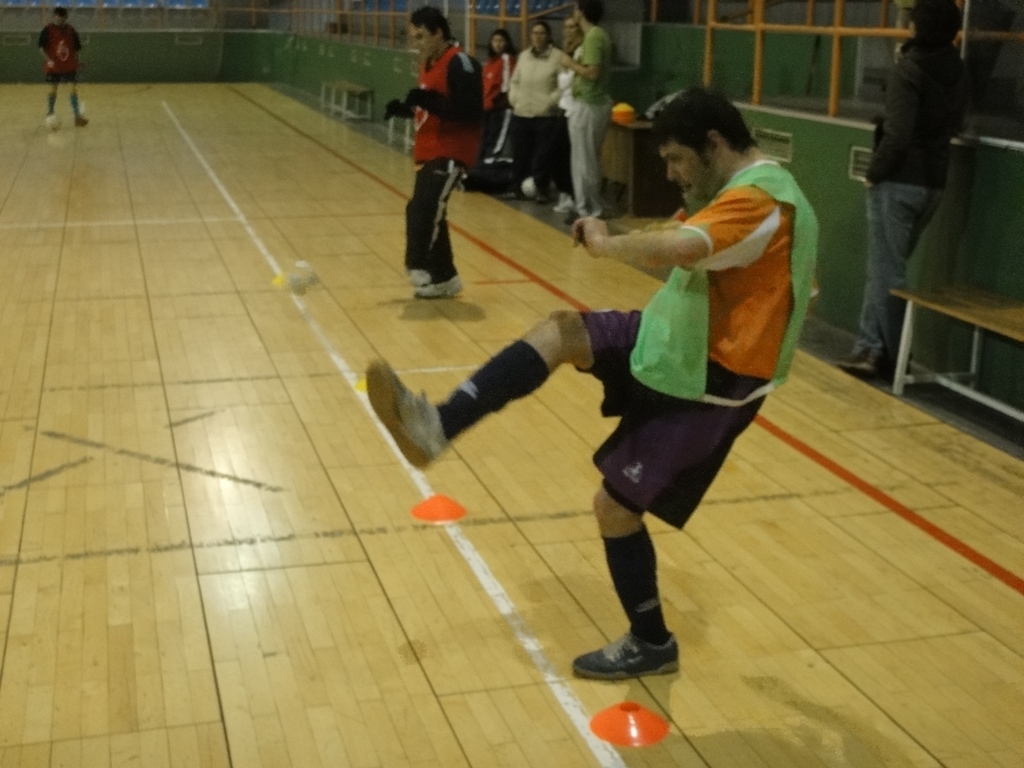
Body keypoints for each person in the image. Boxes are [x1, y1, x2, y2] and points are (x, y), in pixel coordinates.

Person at [366, 87, 819, 680]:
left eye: (678, 159)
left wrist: (608, 243)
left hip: (710, 382)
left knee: (614, 508)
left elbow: (682, 247)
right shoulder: (736, 193)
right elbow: (681, 246)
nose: (672, 172)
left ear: (714, 144)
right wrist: (621, 235)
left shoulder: (760, 201)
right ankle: (436, 427)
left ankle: (652, 642)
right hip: (673, 340)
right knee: (560, 333)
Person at [838, 0, 967, 379]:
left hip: (898, 182)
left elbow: (898, 136)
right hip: (934, 183)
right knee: (885, 270)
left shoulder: (907, 69)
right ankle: (868, 349)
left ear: (915, 27)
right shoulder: (958, 70)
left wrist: (874, 174)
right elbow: (952, 123)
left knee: (885, 274)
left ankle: (894, 358)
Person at [384, 7, 483, 299]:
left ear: (438, 32)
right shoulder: (428, 62)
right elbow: (432, 109)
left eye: (422, 36)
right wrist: (406, 109)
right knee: (433, 213)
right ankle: (445, 277)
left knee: (422, 207)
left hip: (452, 150)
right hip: (428, 149)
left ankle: (417, 263)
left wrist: (428, 100)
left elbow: (468, 111)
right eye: (413, 37)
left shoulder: (460, 63)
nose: (417, 42)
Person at [561, 0, 613, 221]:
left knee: (585, 160)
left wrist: (569, 63)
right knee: (585, 159)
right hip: (590, 103)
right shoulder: (598, 35)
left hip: (589, 104)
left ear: (581, 12)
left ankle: (588, 210)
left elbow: (592, 73)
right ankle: (588, 207)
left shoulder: (593, 37)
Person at [509, 21, 563, 203]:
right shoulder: (524, 56)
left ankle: (541, 189)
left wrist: (550, 102)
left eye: (541, 33)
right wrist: (514, 99)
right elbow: (514, 81)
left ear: (548, 36)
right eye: (534, 33)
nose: (537, 37)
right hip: (521, 112)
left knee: (542, 156)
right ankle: (518, 188)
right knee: (520, 153)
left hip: (545, 116)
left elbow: (562, 85)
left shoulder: (558, 57)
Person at [551, 17, 584, 214]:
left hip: (575, 110)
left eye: (573, 27)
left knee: (570, 155)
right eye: (566, 27)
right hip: (564, 108)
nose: (569, 31)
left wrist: (569, 64)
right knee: (558, 154)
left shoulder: (580, 53)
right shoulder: (567, 52)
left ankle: (573, 195)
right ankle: (565, 192)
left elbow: (568, 82)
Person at [39, 6, 88, 129]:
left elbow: (76, 48)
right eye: (57, 18)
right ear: (54, 17)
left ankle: (77, 117)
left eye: (62, 18)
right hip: (54, 66)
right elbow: (41, 47)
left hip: (68, 65)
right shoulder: (48, 30)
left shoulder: (71, 30)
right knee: (53, 89)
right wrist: (49, 60)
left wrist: (76, 61)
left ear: (65, 18)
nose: (59, 21)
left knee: (73, 88)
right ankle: (50, 113)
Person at [479, 29, 517, 167]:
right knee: (484, 137)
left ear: (507, 43)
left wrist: (500, 102)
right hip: (486, 108)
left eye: (501, 41)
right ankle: (479, 166)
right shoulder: (489, 62)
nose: (498, 44)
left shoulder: (506, 59)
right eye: (495, 40)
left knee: (495, 141)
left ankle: (488, 166)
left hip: (499, 108)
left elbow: (507, 84)